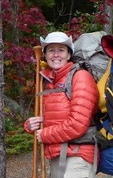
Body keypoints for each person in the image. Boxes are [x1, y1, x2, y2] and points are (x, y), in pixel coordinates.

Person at [24, 31, 99, 178]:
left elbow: (77, 124)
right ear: (45, 55)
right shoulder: (47, 83)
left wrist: (45, 134)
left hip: (78, 156)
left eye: (61, 50)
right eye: (51, 50)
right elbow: (52, 118)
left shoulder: (80, 77)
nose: (56, 54)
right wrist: (30, 125)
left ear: (69, 55)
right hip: (57, 155)